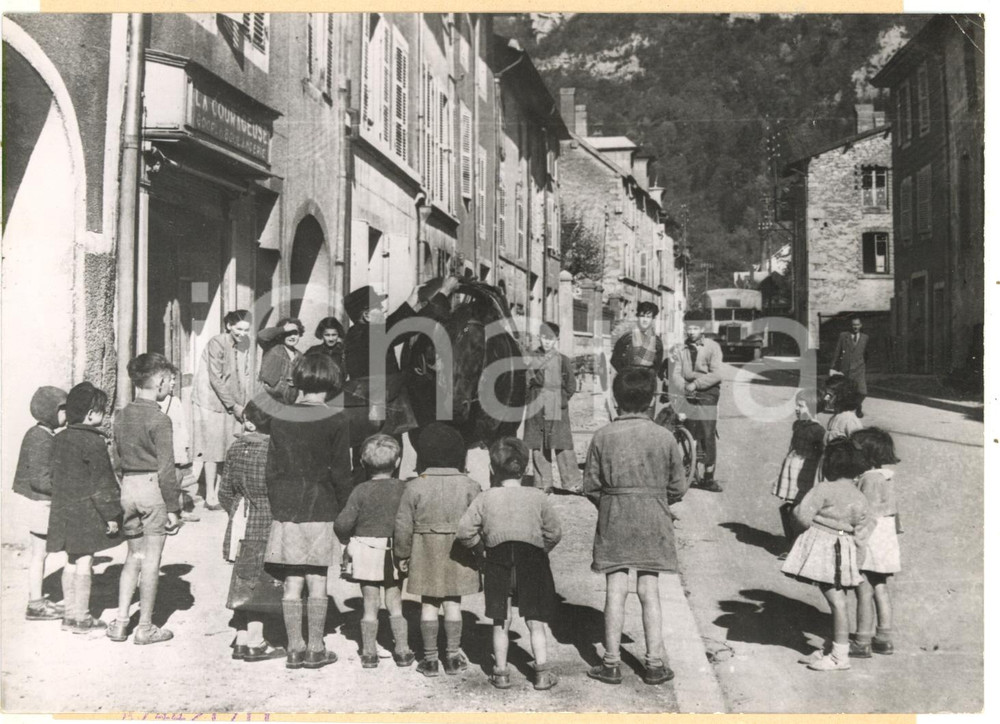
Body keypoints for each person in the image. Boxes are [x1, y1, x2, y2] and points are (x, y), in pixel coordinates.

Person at [582, 367, 689, 686]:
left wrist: (613, 504)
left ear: (616, 399)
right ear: (651, 401)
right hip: (652, 518)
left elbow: (590, 485)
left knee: (615, 588)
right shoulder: (665, 437)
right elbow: (678, 487)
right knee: (649, 588)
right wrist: (654, 501)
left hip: (615, 515)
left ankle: (611, 662)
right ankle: (654, 663)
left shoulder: (602, 436)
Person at [263, 353, 353, 670]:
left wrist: (278, 504)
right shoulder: (338, 419)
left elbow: (271, 470)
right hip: (322, 504)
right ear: (332, 383)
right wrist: (346, 512)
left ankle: (293, 647)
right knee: (317, 577)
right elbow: (342, 472)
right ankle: (316, 647)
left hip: (287, 506)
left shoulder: (280, 417)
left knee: (292, 579)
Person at [456, 437, 562, 691]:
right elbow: (554, 532)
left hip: (497, 559)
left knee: (500, 620)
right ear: (525, 469)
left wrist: (481, 551)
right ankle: (541, 674)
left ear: (492, 469)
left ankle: (501, 672)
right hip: (532, 559)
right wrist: (541, 549)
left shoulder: (485, 498)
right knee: (535, 620)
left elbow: (463, 532)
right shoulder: (538, 497)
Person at [393, 422, 482, 678]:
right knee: (454, 603)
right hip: (459, 554)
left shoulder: (414, 486)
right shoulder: (470, 486)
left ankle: (430, 659)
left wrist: (402, 554)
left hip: (425, 552)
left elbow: (403, 525)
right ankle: (453, 655)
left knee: (428, 605)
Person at [781, 438, 874, 671]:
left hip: (823, 549)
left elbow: (802, 516)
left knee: (837, 602)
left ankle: (839, 657)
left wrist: (797, 526)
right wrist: (857, 565)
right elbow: (863, 533)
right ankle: (832, 648)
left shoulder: (823, 489)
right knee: (838, 599)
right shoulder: (860, 497)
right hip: (845, 548)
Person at [109, 353, 181, 645]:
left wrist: (124, 486)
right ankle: (146, 627)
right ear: (161, 381)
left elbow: (115, 459)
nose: (172, 386)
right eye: (171, 381)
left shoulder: (121, 415)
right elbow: (166, 469)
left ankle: (121, 621)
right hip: (152, 490)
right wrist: (174, 508)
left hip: (128, 488)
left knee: (133, 557)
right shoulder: (160, 419)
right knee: (152, 560)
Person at [334, 434, 415, 668]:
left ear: (362, 463)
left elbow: (342, 523)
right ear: (398, 462)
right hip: (393, 551)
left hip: (366, 549)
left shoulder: (360, 490)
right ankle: (402, 650)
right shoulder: (404, 488)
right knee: (395, 600)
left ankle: (369, 653)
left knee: (369, 603)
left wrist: (346, 540)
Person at [47, 382, 122, 635]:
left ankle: (69, 615)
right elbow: (103, 482)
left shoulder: (59, 439)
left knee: (70, 560)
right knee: (85, 561)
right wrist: (112, 516)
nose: (105, 415)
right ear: (91, 414)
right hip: (86, 512)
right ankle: (83, 617)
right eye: (102, 411)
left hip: (63, 510)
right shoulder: (93, 442)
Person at [219, 400, 285, 663]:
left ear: (248, 422)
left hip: (241, 519)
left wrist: (236, 509)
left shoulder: (235, 447)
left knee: (243, 575)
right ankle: (256, 641)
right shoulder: (276, 451)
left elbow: (224, 492)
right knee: (261, 579)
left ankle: (242, 636)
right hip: (266, 518)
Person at [12, 385, 68, 621]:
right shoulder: (40, 438)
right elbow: (40, 480)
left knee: (40, 554)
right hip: (41, 504)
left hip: (38, 503)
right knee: (40, 554)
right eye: (63, 410)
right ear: (50, 411)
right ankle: (36, 603)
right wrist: (65, 491)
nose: (67, 414)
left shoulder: (41, 434)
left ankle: (37, 600)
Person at [192, 310, 253, 511]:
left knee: (226, 447)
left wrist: (243, 405)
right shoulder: (217, 342)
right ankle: (210, 495)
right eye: (239, 329)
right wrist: (234, 406)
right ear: (228, 326)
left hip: (230, 403)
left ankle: (216, 491)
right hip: (211, 402)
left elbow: (241, 378)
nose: (243, 333)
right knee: (212, 449)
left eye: (246, 330)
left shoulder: (242, 346)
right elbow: (216, 378)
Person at [849, 427, 902, 659]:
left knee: (863, 590)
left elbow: (864, 513)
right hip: (885, 539)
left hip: (870, 539)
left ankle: (861, 641)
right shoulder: (886, 477)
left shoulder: (868, 479)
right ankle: (883, 638)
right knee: (880, 587)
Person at [523, 323, 581, 494]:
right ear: (539, 338)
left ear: (557, 340)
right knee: (537, 444)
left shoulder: (562, 359)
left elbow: (571, 385)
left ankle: (573, 482)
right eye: (544, 337)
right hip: (536, 404)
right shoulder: (530, 358)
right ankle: (543, 483)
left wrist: (562, 399)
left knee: (562, 443)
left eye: (551, 339)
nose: (547, 342)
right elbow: (525, 382)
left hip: (556, 402)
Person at [668, 322, 724, 492]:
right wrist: (684, 385)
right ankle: (677, 468)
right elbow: (676, 372)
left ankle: (708, 477)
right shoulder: (681, 349)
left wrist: (696, 385)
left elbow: (717, 374)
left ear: (702, 330)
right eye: (689, 328)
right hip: (686, 389)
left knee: (707, 431)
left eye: (695, 329)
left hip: (707, 391)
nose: (691, 332)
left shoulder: (712, 347)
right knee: (675, 423)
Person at [772, 389, 825, 559]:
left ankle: (798, 546)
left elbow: (820, 454)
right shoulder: (798, 424)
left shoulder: (818, 430)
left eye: (800, 406)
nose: (796, 409)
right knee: (788, 507)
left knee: (797, 509)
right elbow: (792, 446)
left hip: (805, 471)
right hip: (792, 468)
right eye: (797, 405)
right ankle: (793, 543)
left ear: (812, 408)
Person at [160, 364, 200, 523]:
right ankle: (165, 512)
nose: (173, 383)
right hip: (163, 447)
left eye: (175, 379)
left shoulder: (175, 401)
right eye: (170, 380)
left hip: (176, 447)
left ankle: (178, 510)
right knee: (164, 480)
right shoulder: (156, 402)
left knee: (177, 478)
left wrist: (185, 444)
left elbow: (182, 425)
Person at [258, 317, 305, 405]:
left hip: (289, 402)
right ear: (280, 334)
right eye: (288, 333)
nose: (292, 337)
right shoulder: (272, 347)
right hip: (268, 400)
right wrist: (283, 329)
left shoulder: (300, 356)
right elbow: (261, 335)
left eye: (295, 333)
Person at [610, 301, 664, 375]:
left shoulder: (657, 341)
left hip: (648, 381)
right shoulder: (627, 338)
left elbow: (658, 364)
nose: (645, 320)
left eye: (648, 317)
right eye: (642, 316)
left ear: (653, 319)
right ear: (637, 317)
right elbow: (614, 360)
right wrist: (625, 374)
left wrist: (649, 376)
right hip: (628, 381)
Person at [830, 317, 869, 418]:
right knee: (846, 391)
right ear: (851, 326)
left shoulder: (865, 337)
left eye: (857, 325)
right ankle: (844, 409)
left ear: (861, 325)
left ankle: (857, 406)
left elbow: (867, 354)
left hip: (859, 369)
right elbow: (837, 352)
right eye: (853, 325)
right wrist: (832, 367)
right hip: (846, 368)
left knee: (862, 392)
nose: (855, 327)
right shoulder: (844, 336)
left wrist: (864, 365)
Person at [824, 377, 864, 443]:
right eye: (826, 394)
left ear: (841, 397)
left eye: (830, 395)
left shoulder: (850, 420)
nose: (825, 398)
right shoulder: (835, 417)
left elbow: (859, 445)